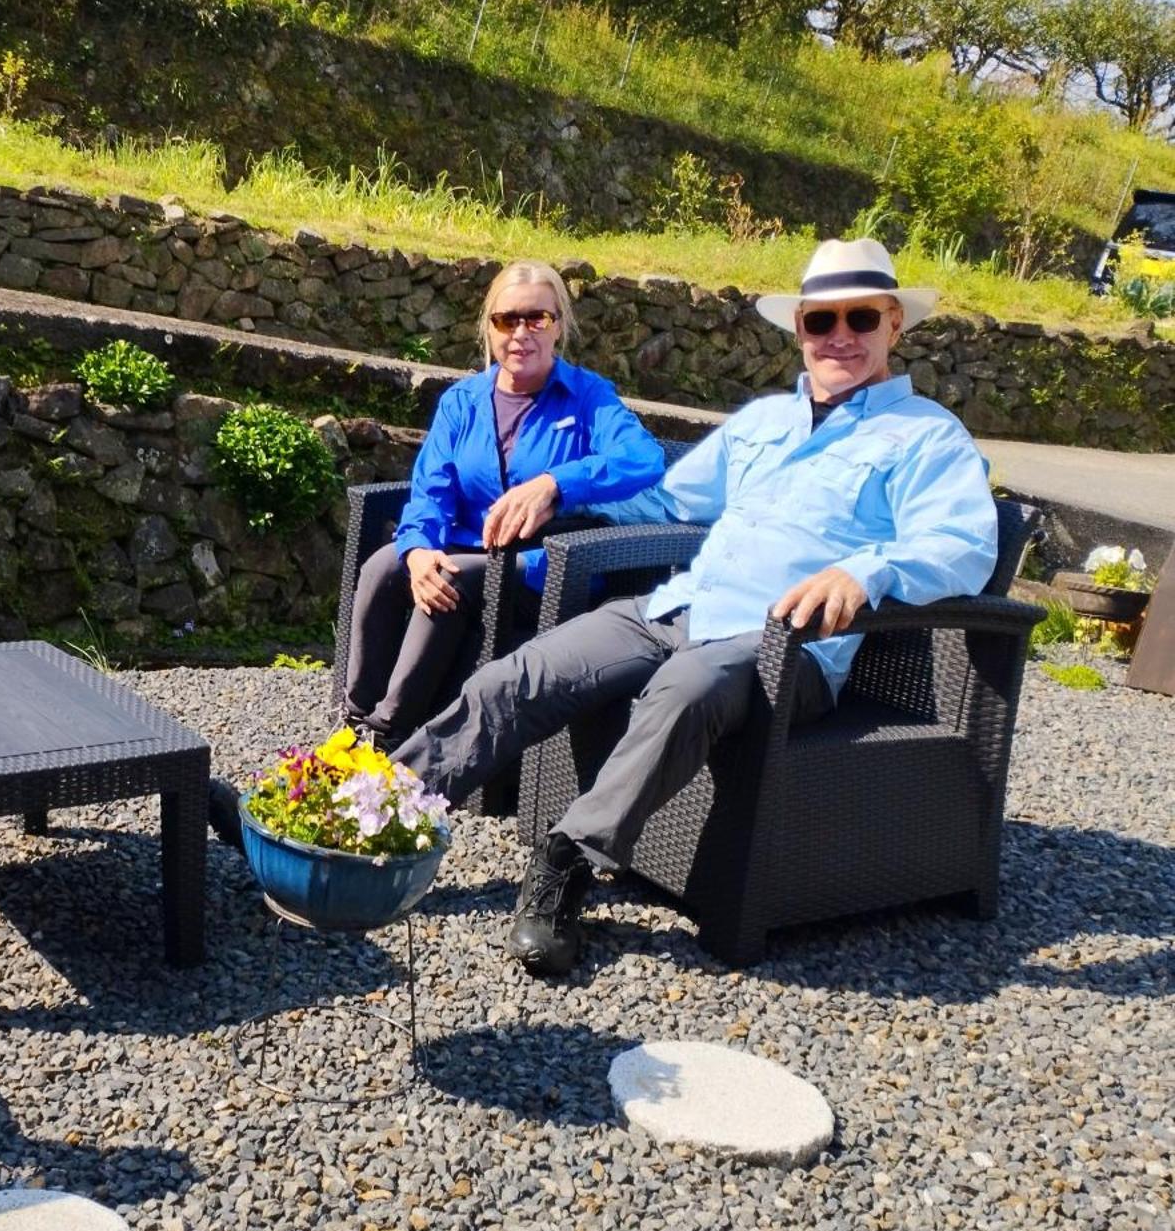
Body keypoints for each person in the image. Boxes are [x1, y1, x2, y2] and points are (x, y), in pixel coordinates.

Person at [210, 238, 1000, 980]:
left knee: (681, 689)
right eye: (822, 319)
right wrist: (560, 491)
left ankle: (566, 862)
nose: (840, 335)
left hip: (782, 644)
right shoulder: (765, 423)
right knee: (513, 679)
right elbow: (661, 497)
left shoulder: (927, 438)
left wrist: (866, 572)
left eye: (862, 317)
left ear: (895, 323)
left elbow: (966, 546)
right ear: (800, 327)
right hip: (681, 605)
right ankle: (361, 817)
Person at [340, 260, 664, 747]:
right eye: (507, 319)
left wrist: (557, 483)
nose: (521, 333)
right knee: (384, 567)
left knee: (451, 579)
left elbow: (644, 459)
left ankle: (390, 739)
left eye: (538, 318)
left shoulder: (587, 398)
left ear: (560, 326)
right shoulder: (462, 402)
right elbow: (431, 488)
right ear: (489, 328)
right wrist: (418, 550)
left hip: (546, 564)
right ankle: (354, 722)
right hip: (464, 544)